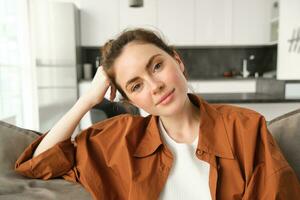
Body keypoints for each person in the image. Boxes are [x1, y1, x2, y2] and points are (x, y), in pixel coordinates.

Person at [15, 28, 300, 200]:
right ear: (127, 98)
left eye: (156, 66)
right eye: (136, 85)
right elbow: (38, 165)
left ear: (177, 60)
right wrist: (87, 100)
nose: (155, 86)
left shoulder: (246, 127)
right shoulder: (120, 141)